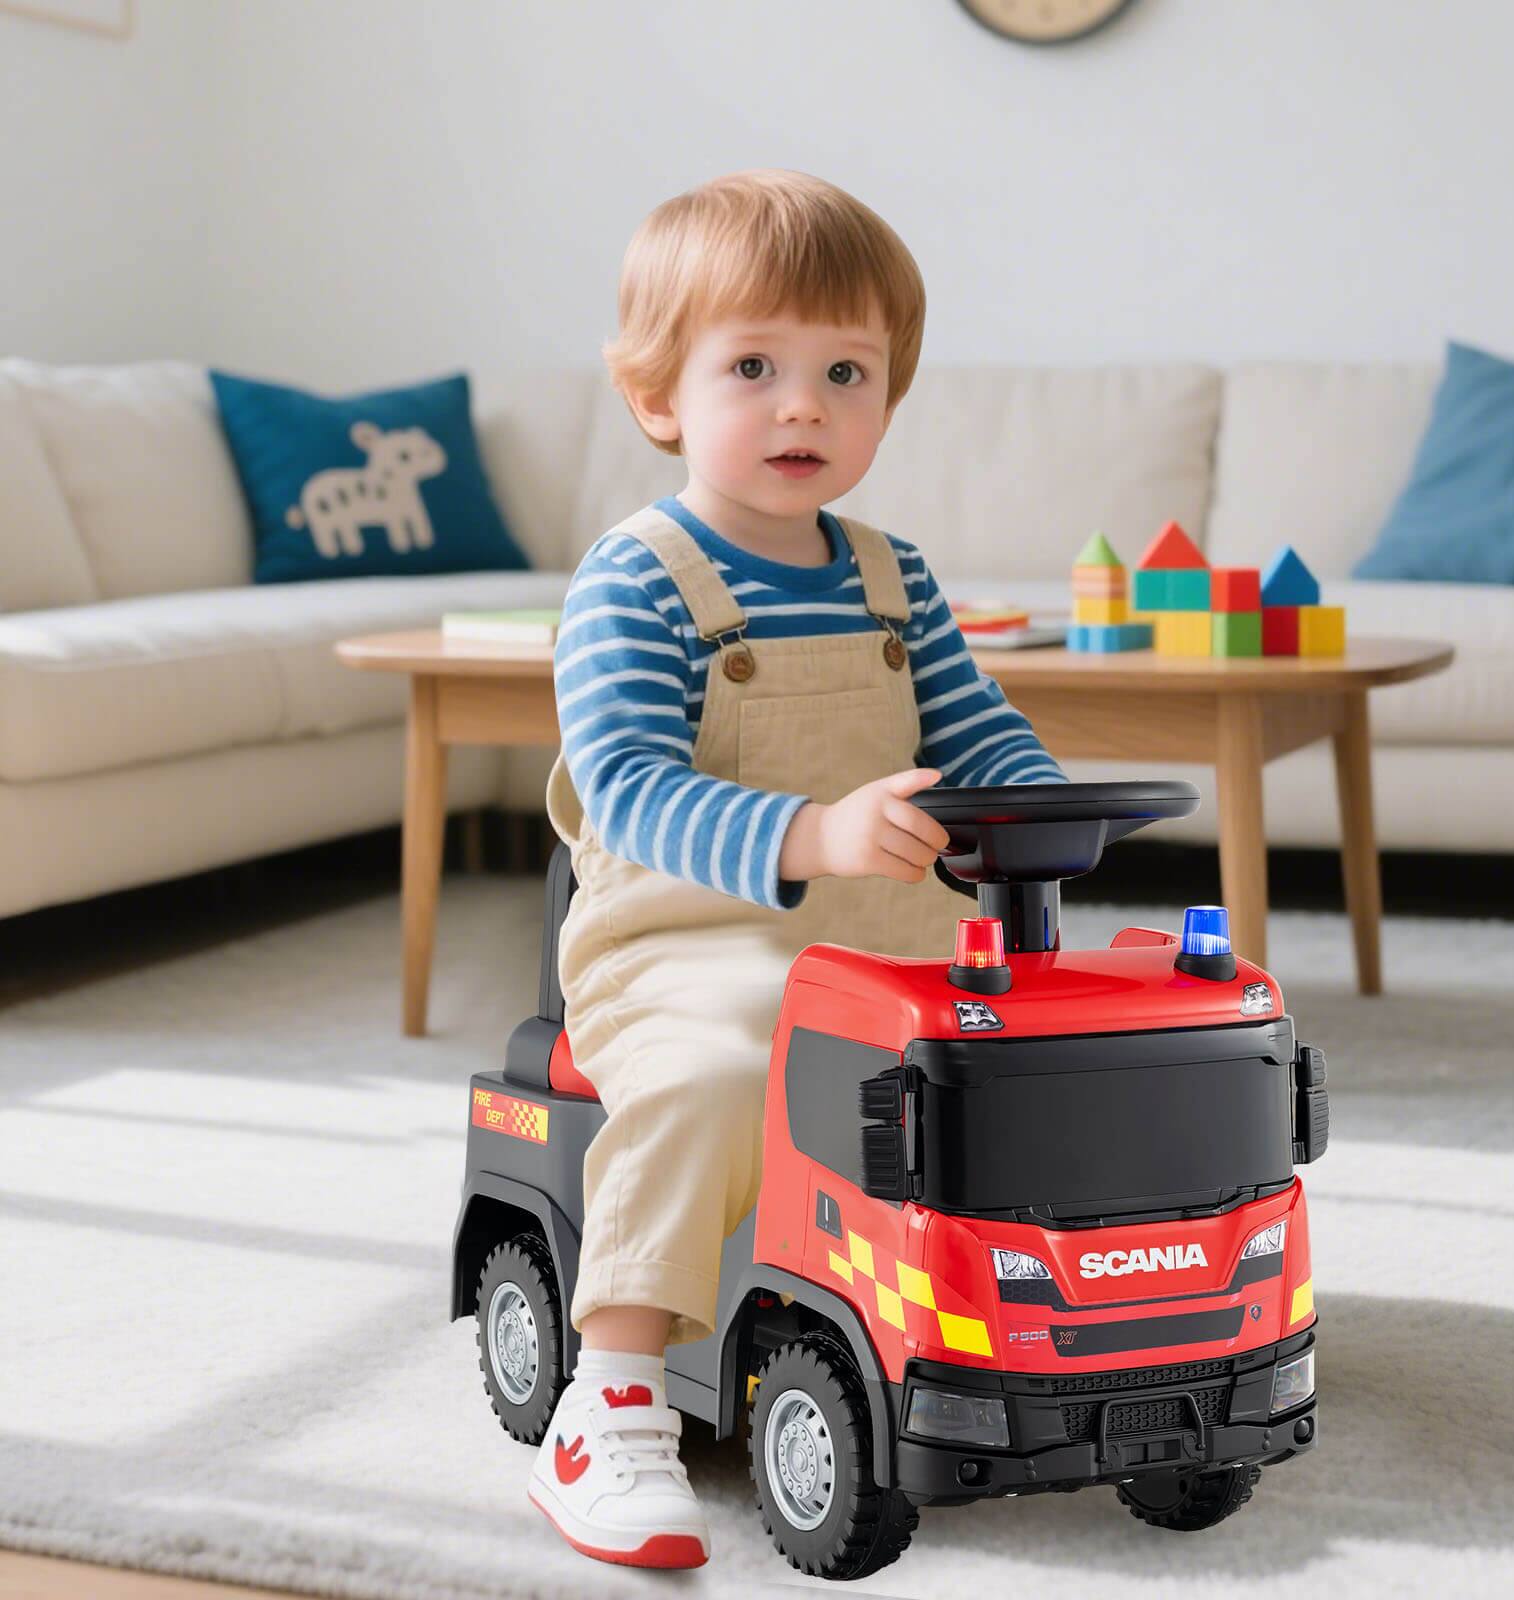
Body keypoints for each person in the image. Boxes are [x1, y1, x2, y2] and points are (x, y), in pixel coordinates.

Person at [526, 168, 1067, 1569]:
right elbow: (634, 793)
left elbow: (976, 731)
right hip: (688, 951)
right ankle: (618, 1392)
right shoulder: (634, 582)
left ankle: (1032, 1332)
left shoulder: (895, 577)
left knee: (1037, 1056)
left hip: (882, 945)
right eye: (752, 366)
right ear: (659, 394)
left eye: (846, 371)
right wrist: (810, 832)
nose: (802, 406)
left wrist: (1038, 801)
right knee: (726, 1069)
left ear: (889, 397)